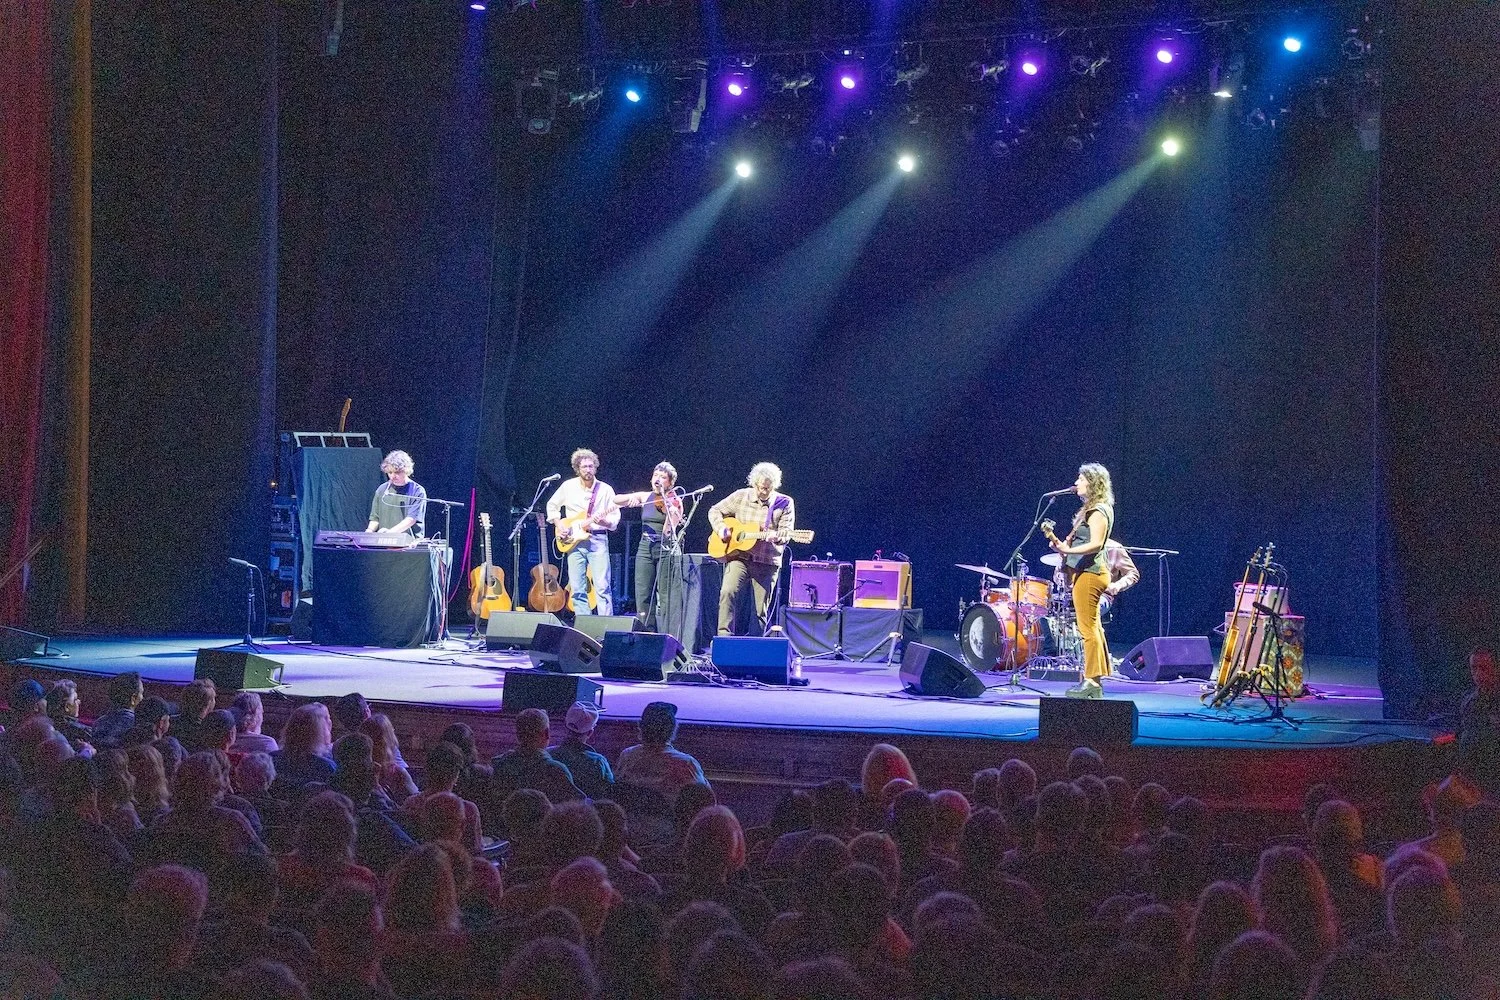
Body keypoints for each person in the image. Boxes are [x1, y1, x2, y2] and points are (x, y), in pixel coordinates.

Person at [1046, 463, 1115, 699]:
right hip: (1086, 572)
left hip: (1091, 573)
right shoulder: (1091, 510)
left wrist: (1070, 550)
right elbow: (1076, 545)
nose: (1076, 483)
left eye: (1081, 479)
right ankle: (1096, 679)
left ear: (1093, 483)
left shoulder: (1098, 511)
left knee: (1087, 628)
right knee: (1093, 627)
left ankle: (1091, 682)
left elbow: (1097, 543)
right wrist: (1063, 547)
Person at [709, 462, 796, 636]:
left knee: (759, 610)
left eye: (768, 489)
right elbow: (715, 510)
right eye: (761, 488)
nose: (764, 492)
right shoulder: (741, 496)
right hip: (740, 557)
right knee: (727, 591)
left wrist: (777, 537)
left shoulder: (784, 502)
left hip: (766, 560)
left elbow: (786, 532)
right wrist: (721, 529)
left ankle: (755, 646)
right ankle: (724, 638)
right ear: (754, 484)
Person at [546, 448, 619, 617]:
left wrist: (603, 521)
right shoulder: (568, 486)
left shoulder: (605, 490)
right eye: (584, 466)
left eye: (591, 466)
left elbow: (614, 520)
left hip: (598, 539)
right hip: (573, 541)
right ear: (577, 468)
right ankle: (584, 625)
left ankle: (605, 625)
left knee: (602, 586)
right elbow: (552, 505)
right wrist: (559, 524)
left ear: (596, 467)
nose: (588, 470)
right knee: (577, 587)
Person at [615, 461, 684, 630]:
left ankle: (667, 634)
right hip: (645, 546)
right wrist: (629, 499)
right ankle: (646, 632)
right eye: (655, 476)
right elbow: (616, 499)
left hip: (665, 548)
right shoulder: (646, 496)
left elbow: (670, 530)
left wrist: (671, 513)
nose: (657, 479)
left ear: (670, 482)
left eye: (662, 477)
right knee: (643, 592)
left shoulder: (675, 501)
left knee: (666, 594)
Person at [615, 701, 706, 798]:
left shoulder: (627, 756)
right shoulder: (686, 764)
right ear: (673, 728)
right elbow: (704, 799)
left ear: (641, 726)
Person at [549, 702, 615, 800]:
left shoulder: (548, 755)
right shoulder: (598, 762)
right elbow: (609, 793)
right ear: (590, 732)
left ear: (565, 725)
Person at [366, 449, 426, 537]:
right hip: (385, 542)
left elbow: (411, 519)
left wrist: (390, 533)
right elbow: (375, 518)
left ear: (406, 470)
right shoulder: (382, 489)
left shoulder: (417, 491)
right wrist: (369, 532)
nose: (393, 476)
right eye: (390, 472)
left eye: (397, 472)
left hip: (409, 543)